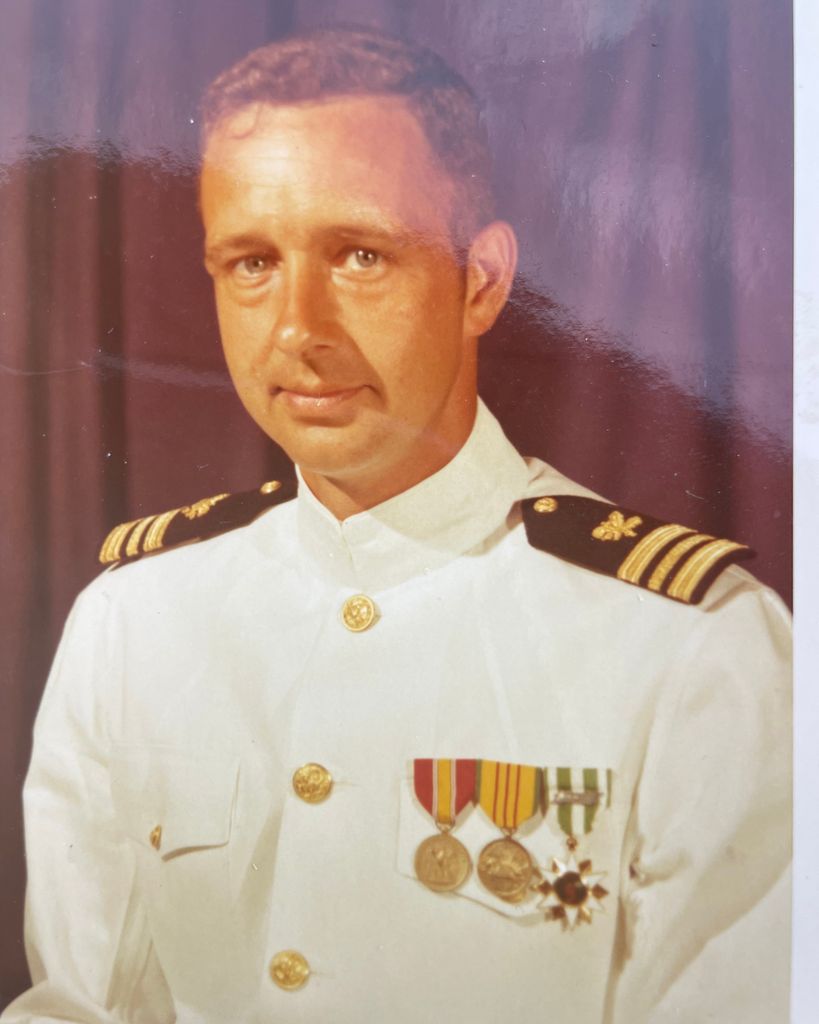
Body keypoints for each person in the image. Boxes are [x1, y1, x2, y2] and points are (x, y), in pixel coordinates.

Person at [3, 26, 790, 1024]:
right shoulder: (132, 620)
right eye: (251, 261)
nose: (299, 328)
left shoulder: (693, 648)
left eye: (361, 254)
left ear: (481, 280)